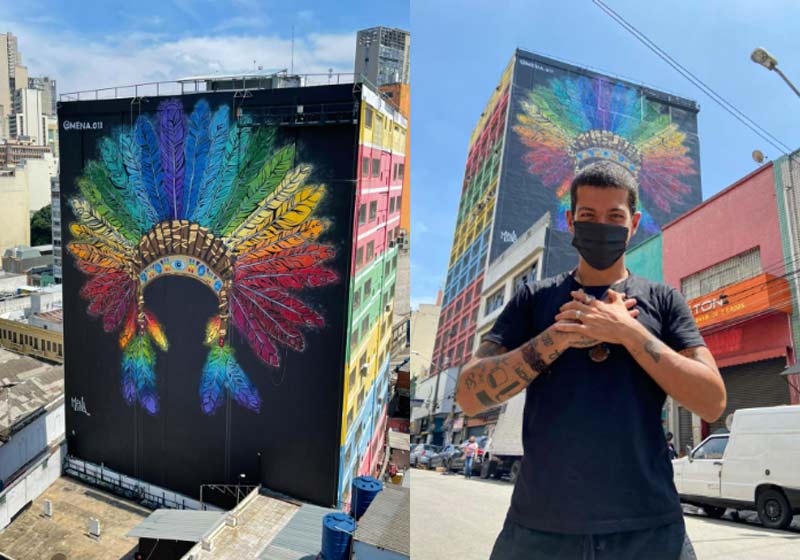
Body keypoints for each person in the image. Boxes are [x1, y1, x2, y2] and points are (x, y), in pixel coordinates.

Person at [455, 162, 725, 560]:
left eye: (614, 217)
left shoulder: (664, 301)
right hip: (539, 530)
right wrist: (558, 337)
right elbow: (467, 395)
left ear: (633, 224)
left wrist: (628, 332)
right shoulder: (533, 299)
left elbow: (712, 401)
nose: (602, 226)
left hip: (649, 531)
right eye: (588, 215)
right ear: (570, 221)